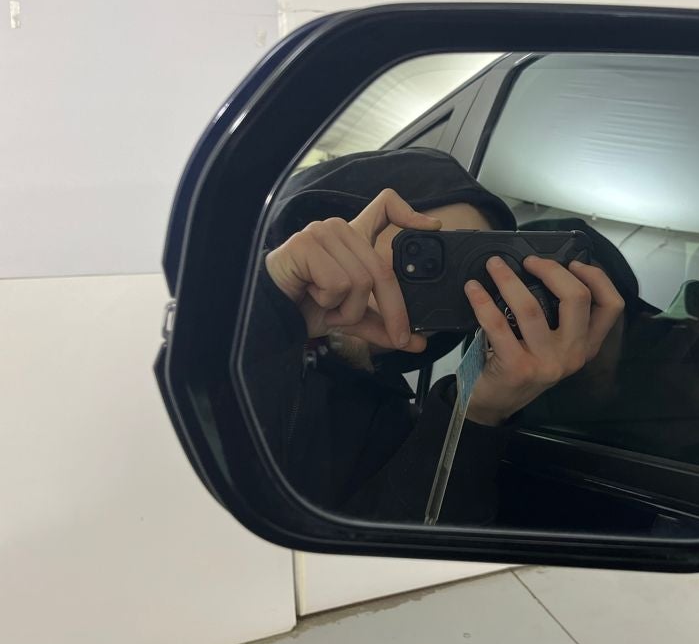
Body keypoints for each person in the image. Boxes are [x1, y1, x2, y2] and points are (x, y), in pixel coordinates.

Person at [241, 147, 625, 524]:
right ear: (337, 230)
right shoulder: (234, 326)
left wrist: (477, 414)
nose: (446, 289)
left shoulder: (395, 420)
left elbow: (390, 548)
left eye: (472, 274)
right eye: (427, 254)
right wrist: (269, 303)